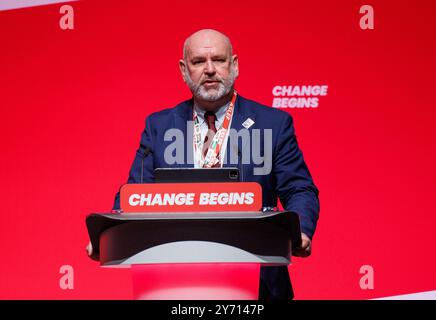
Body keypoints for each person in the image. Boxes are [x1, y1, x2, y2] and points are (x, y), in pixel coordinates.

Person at [88, 29, 319, 300]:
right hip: (174, 282)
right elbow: (135, 194)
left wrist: (300, 230)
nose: (209, 70)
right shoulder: (159, 126)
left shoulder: (273, 124)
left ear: (234, 65)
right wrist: (110, 236)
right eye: (198, 62)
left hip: (258, 282)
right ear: (184, 70)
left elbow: (299, 188)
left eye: (218, 60)